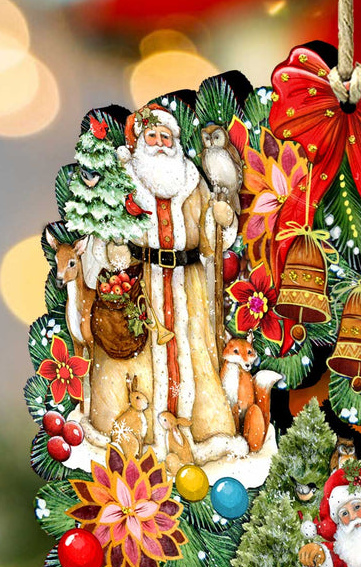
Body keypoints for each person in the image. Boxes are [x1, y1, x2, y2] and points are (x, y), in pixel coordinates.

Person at [86, 103, 246, 463]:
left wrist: (220, 221)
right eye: (152, 136)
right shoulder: (126, 183)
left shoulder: (191, 182)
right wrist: (114, 252)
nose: (159, 143)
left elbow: (211, 238)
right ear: (141, 142)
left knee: (194, 356)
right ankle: (137, 434)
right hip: (141, 283)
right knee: (137, 360)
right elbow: (105, 233)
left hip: (187, 284)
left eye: (166, 137)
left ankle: (201, 433)